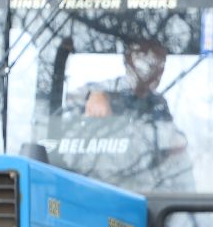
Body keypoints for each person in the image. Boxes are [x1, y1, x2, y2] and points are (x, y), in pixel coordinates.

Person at [66, 37, 194, 192]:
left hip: (148, 194)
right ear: (127, 61)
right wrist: (94, 95)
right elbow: (68, 104)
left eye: (159, 65)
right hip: (95, 188)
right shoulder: (102, 91)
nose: (152, 71)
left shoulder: (158, 105)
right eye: (144, 61)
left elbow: (174, 154)